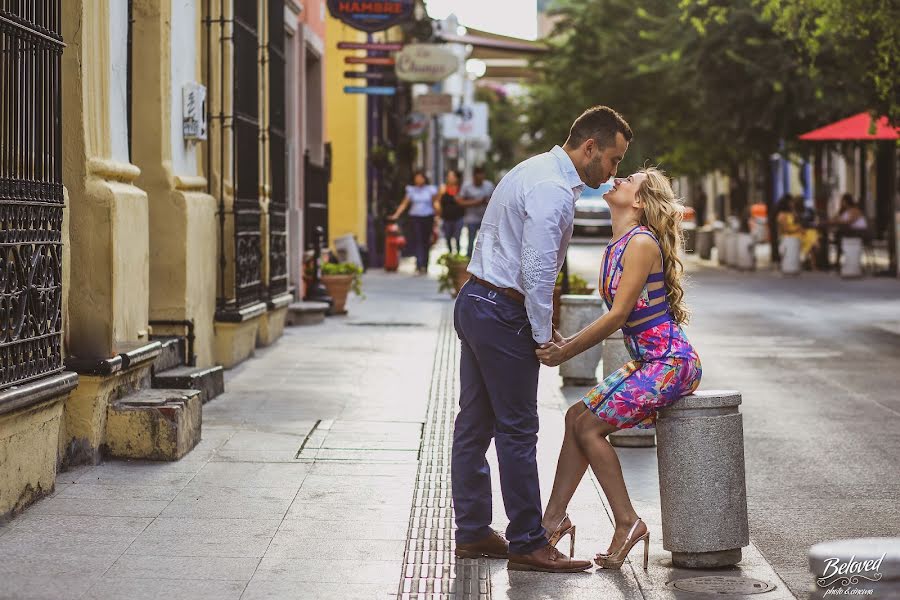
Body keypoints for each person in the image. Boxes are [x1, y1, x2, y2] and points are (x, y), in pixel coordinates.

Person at [452, 106, 632, 573]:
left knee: (474, 424)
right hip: (502, 311)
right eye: (613, 160)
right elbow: (536, 270)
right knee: (517, 429)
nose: (615, 172)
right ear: (589, 147)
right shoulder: (553, 190)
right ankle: (529, 541)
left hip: (476, 299)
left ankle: (472, 532)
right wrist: (544, 337)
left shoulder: (530, 169)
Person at [534, 167, 702, 570]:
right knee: (576, 416)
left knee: (590, 427)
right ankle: (552, 521)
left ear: (640, 202)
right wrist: (559, 336)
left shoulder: (641, 242)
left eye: (630, 180)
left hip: (670, 363)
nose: (619, 180)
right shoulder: (617, 244)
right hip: (649, 360)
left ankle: (628, 521)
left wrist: (567, 351)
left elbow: (618, 316)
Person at [389, 170, 439, 275]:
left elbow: (435, 204)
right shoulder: (411, 190)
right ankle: (419, 264)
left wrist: (437, 216)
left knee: (426, 241)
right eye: (416, 177)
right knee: (418, 240)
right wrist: (396, 215)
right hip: (415, 218)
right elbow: (404, 204)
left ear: (424, 179)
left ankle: (425, 264)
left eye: (420, 177)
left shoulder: (430, 190)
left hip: (428, 217)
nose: (418, 180)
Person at [458, 166, 495, 256]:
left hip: (486, 219)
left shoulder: (489, 185)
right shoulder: (467, 186)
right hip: (471, 219)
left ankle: (485, 260)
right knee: (471, 241)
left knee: (486, 242)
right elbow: (460, 202)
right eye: (478, 179)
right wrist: (476, 202)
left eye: (482, 178)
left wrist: (486, 202)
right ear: (474, 177)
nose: (480, 180)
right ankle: (468, 260)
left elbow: (495, 201)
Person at [776, 195, 820, 269]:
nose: (793, 204)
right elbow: (786, 230)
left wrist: (794, 211)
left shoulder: (791, 213)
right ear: (787, 203)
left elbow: (798, 222)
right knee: (811, 238)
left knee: (812, 233)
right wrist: (798, 229)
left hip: (797, 233)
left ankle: (810, 263)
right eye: (791, 202)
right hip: (789, 236)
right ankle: (809, 262)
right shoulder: (782, 215)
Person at [439, 169, 465, 255]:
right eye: (449, 176)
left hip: (458, 217)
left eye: (453, 176)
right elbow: (438, 202)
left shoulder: (461, 189)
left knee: (457, 237)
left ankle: (457, 254)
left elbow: (463, 201)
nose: (450, 178)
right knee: (448, 237)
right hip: (446, 218)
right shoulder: (443, 188)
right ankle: (450, 254)